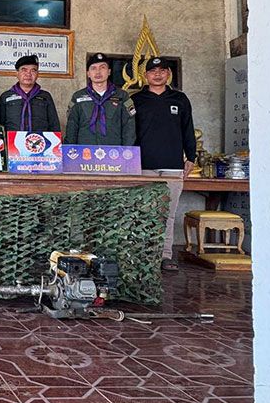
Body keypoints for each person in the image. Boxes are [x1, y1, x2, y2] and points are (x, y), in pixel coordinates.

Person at [132, 56, 197, 271]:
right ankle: (144, 256)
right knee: (144, 212)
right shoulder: (136, 100)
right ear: (145, 75)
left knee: (167, 213)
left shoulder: (180, 99)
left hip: (172, 165)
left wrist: (191, 157)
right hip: (143, 166)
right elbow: (129, 132)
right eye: (153, 71)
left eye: (162, 70)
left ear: (168, 74)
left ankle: (165, 255)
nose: (157, 74)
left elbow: (188, 129)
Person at [64, 53, 136, 145]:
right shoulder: (78, 97)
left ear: (109, 71)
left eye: (102, 67)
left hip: (114, 151)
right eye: (93, 68)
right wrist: (69, 149)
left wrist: (128, 150)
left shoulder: (122, 96)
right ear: (88, 73)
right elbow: (72, 126)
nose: (98, 72)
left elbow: (129, 127)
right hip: (85, 151)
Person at [0, 55, 60, 133]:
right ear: (17, 73)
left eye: (33, 70)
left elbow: (54, 124)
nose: (28, 74)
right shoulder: (6, 97)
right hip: (12, 140)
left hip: (40, 140)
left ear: (37, 74)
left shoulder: (46, 96)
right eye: (24, 70)